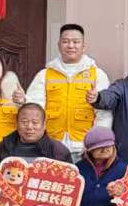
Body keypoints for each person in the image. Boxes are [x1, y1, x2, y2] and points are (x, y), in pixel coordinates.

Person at [26, 23, 112, 158]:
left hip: (85, 149)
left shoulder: (97, 75)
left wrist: (95, 143)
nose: (71, 46)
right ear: (59, 45)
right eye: (65, 41)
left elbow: (104, 115)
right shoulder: (45, 75)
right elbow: (34, 111)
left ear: (83, 46)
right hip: (51, 147)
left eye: (76, 42)